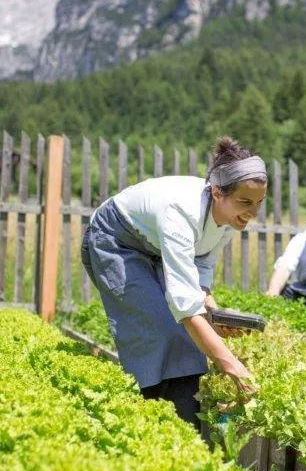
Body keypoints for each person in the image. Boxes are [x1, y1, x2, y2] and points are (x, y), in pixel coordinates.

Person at [81, 137, 267, 431]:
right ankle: (147, 424)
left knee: (188, 340)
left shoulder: (229, 220)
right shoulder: (182, 212)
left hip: (154, 246)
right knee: (159, 331)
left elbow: (201, 264)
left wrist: (213, 312)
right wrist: (233, 366)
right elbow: (186, 310)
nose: (252, 212)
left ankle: (183, 431)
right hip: (115, 240)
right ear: (217, 192)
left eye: (258, 203)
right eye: (245, 202)